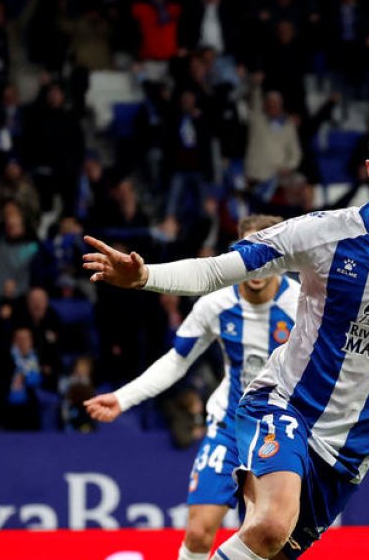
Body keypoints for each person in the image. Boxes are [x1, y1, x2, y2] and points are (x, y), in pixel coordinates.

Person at [83, 104, 369, 560]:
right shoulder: (322, 233)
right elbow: (218, 271)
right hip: (285, 406)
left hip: (349, 452)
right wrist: (145, 277)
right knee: (270, 527)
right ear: (368, 168)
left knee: (264, 548)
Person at [86, 215, 306, 560]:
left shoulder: (303, 304)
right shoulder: (216, 303)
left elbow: (338, 368)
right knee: (199, 531)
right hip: (229, 424)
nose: (260, 265)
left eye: (269, 254)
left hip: (281, 431)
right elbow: (178, 360)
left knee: (265, 534)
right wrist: (122, 397)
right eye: (251, 253)